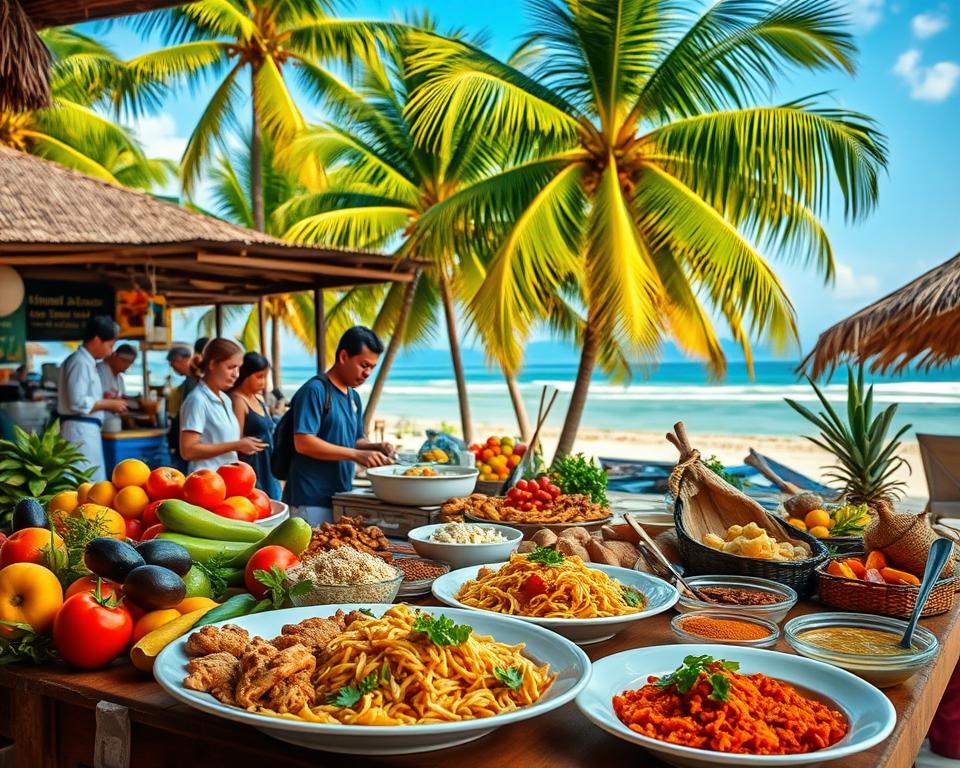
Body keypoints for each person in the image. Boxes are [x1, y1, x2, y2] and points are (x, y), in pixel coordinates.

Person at [283, 326, 395, 525]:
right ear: (343, 356)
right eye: (363, 365)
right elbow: (303, 442)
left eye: (372, 367)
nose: (368, 373)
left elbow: (355, 439)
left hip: (341, 495)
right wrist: (356, 455)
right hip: (310, 498)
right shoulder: (315, 390)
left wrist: (375, 447)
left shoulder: (353, 396)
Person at [56, 315, 127, 482]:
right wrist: (109, 403)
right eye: (109, 345)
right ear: (96, 340)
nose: (110, 352)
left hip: (85, 429)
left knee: (91, 480)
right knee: (84, 482)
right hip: (79, 430)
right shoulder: (79, 362)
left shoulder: (86, 362)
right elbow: (77, 401)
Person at [179, 338, 266, 473]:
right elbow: (188, 450)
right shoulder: (197, 400)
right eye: (231, 367)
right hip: (206, 481)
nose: (236, 374)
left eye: (238, 368)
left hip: (226, 480)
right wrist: (236, 445)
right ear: (212, 364)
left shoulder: (226, 399)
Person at [230, 352, 281, 499]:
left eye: (265, 377)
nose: (263, 382)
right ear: (245, 375)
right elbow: (236, 442)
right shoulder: (238, 400)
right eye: (259, 377)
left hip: (268, 467)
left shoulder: (258, 399)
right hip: (253, 468)